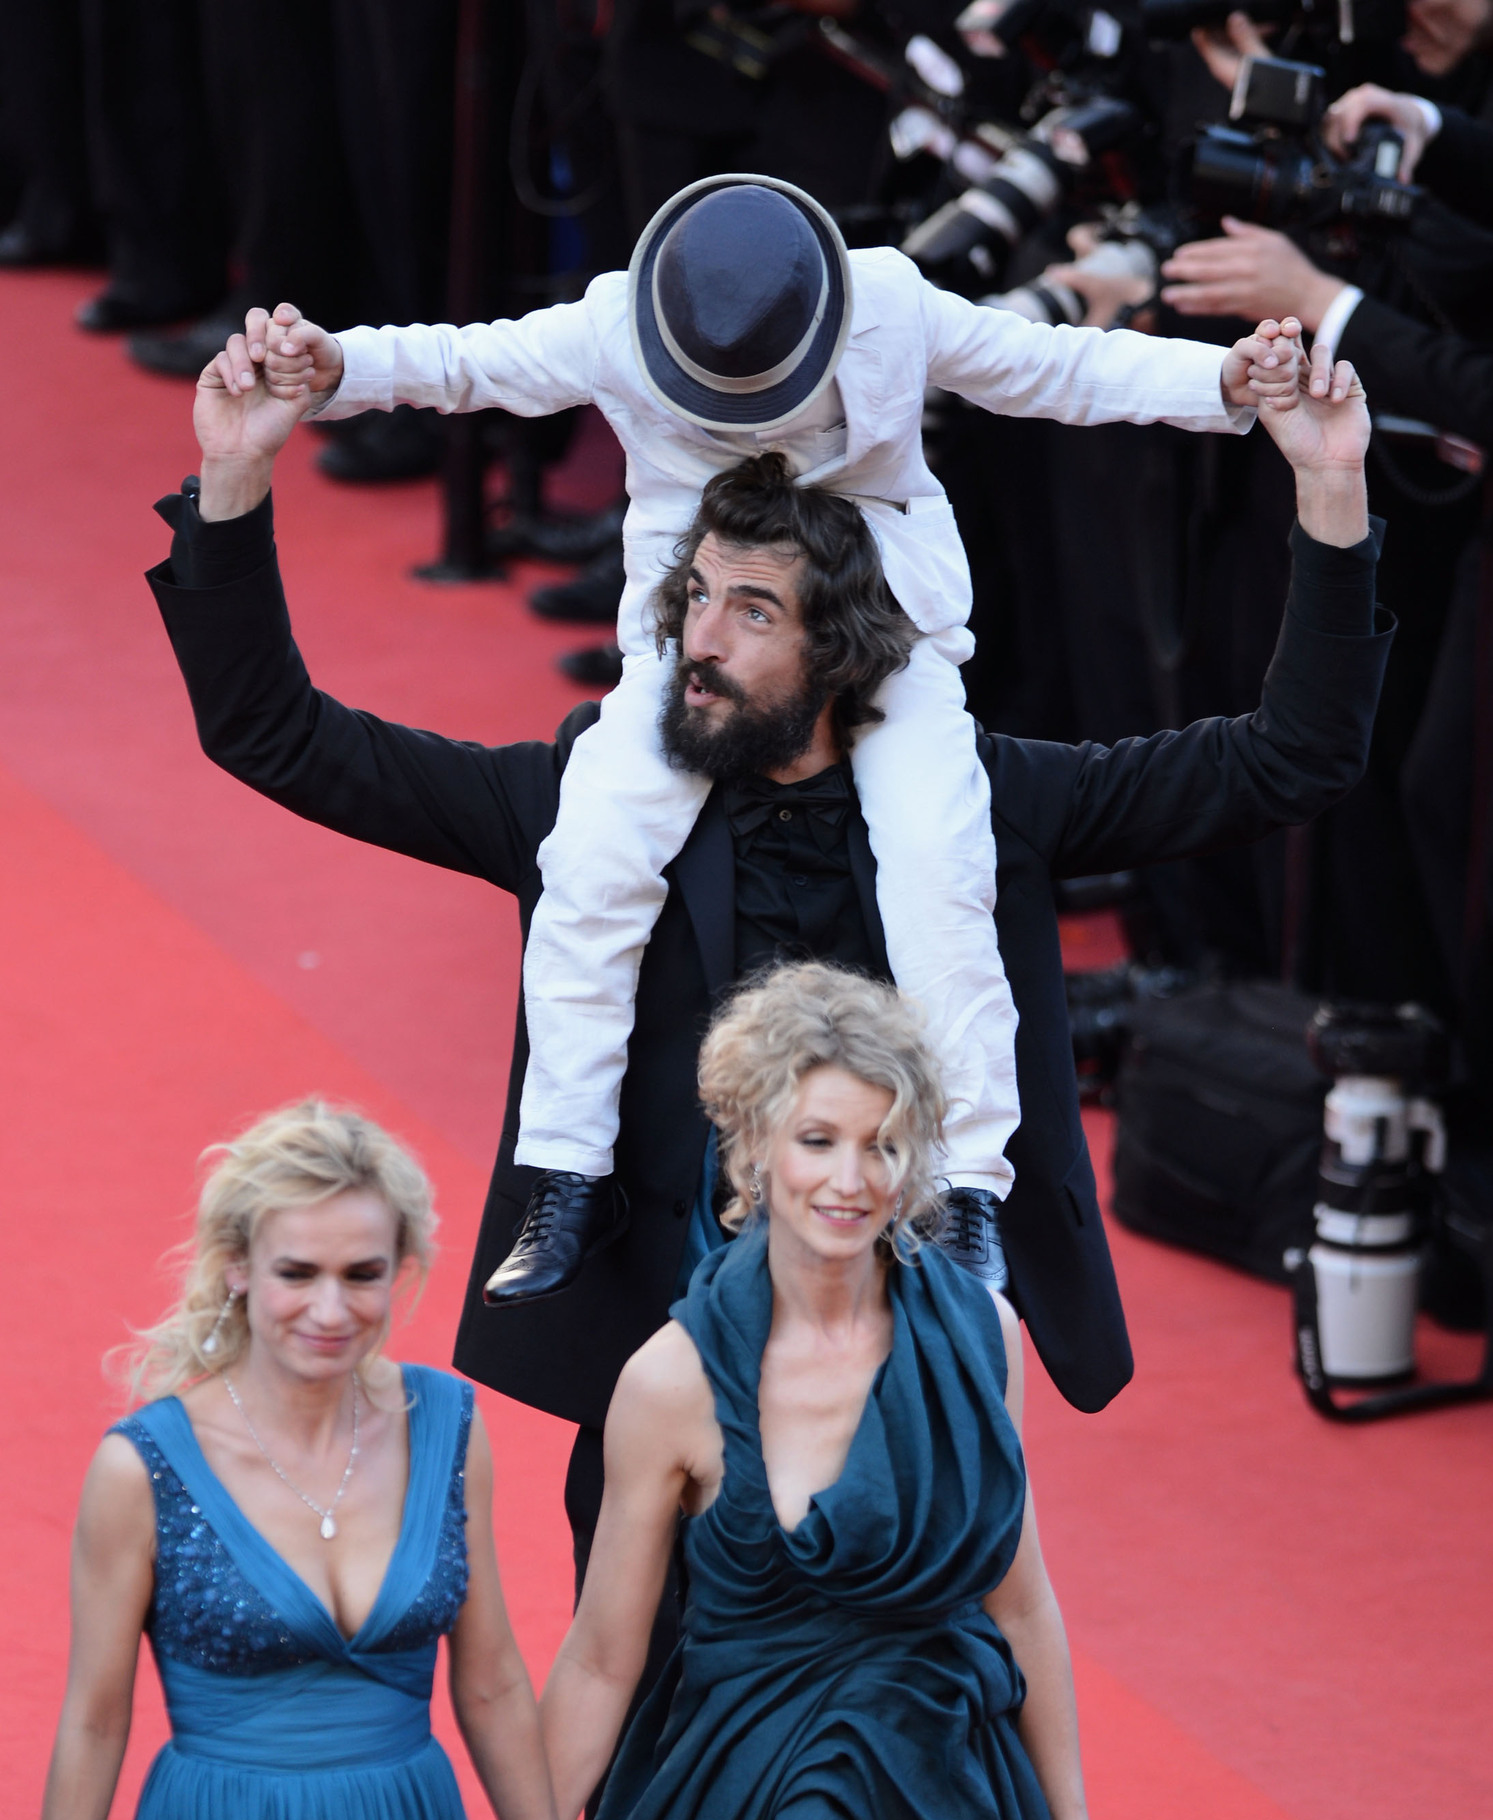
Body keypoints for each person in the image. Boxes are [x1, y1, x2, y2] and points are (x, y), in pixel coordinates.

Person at [150, 324, 1387, 1642]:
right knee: (640, 1769)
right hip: (659, 1389)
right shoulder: (585, 806)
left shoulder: (984, 809)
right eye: (695, 599)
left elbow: (1288, 760)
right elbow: (276, 735)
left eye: (753, 613)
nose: (703, 640)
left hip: (897, 1399)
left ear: (843, 648)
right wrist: (235, 480)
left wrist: (1327, 495)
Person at [231, 174, 1304, 1309]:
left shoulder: (890, 303)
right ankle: (563, 1170)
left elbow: (1053, 367)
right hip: (695, 639)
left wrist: (1217, 381)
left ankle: (968, 1188)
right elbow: (467, 361)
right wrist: (336, 363)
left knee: (942, 866)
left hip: (883, 630)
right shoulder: (613, 324)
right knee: (590, 864)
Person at [494, 960, 1114, 1820]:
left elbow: (1021, 1607)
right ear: (752, 1148)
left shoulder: (981, 1338)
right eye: (818, 1139)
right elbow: (602, 1656)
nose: (851, 1178)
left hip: (949, 1817)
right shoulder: (670, 1381)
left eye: (882, 1143)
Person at [12, 1100, 582, 1820]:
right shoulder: (143, 1465)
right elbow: (93, 1717)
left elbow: (489, 1683)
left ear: (402, 1270)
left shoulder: (447, 1428)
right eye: (297, 1274)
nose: (331, 1309)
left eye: (362, 1275)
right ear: (237, 1267)